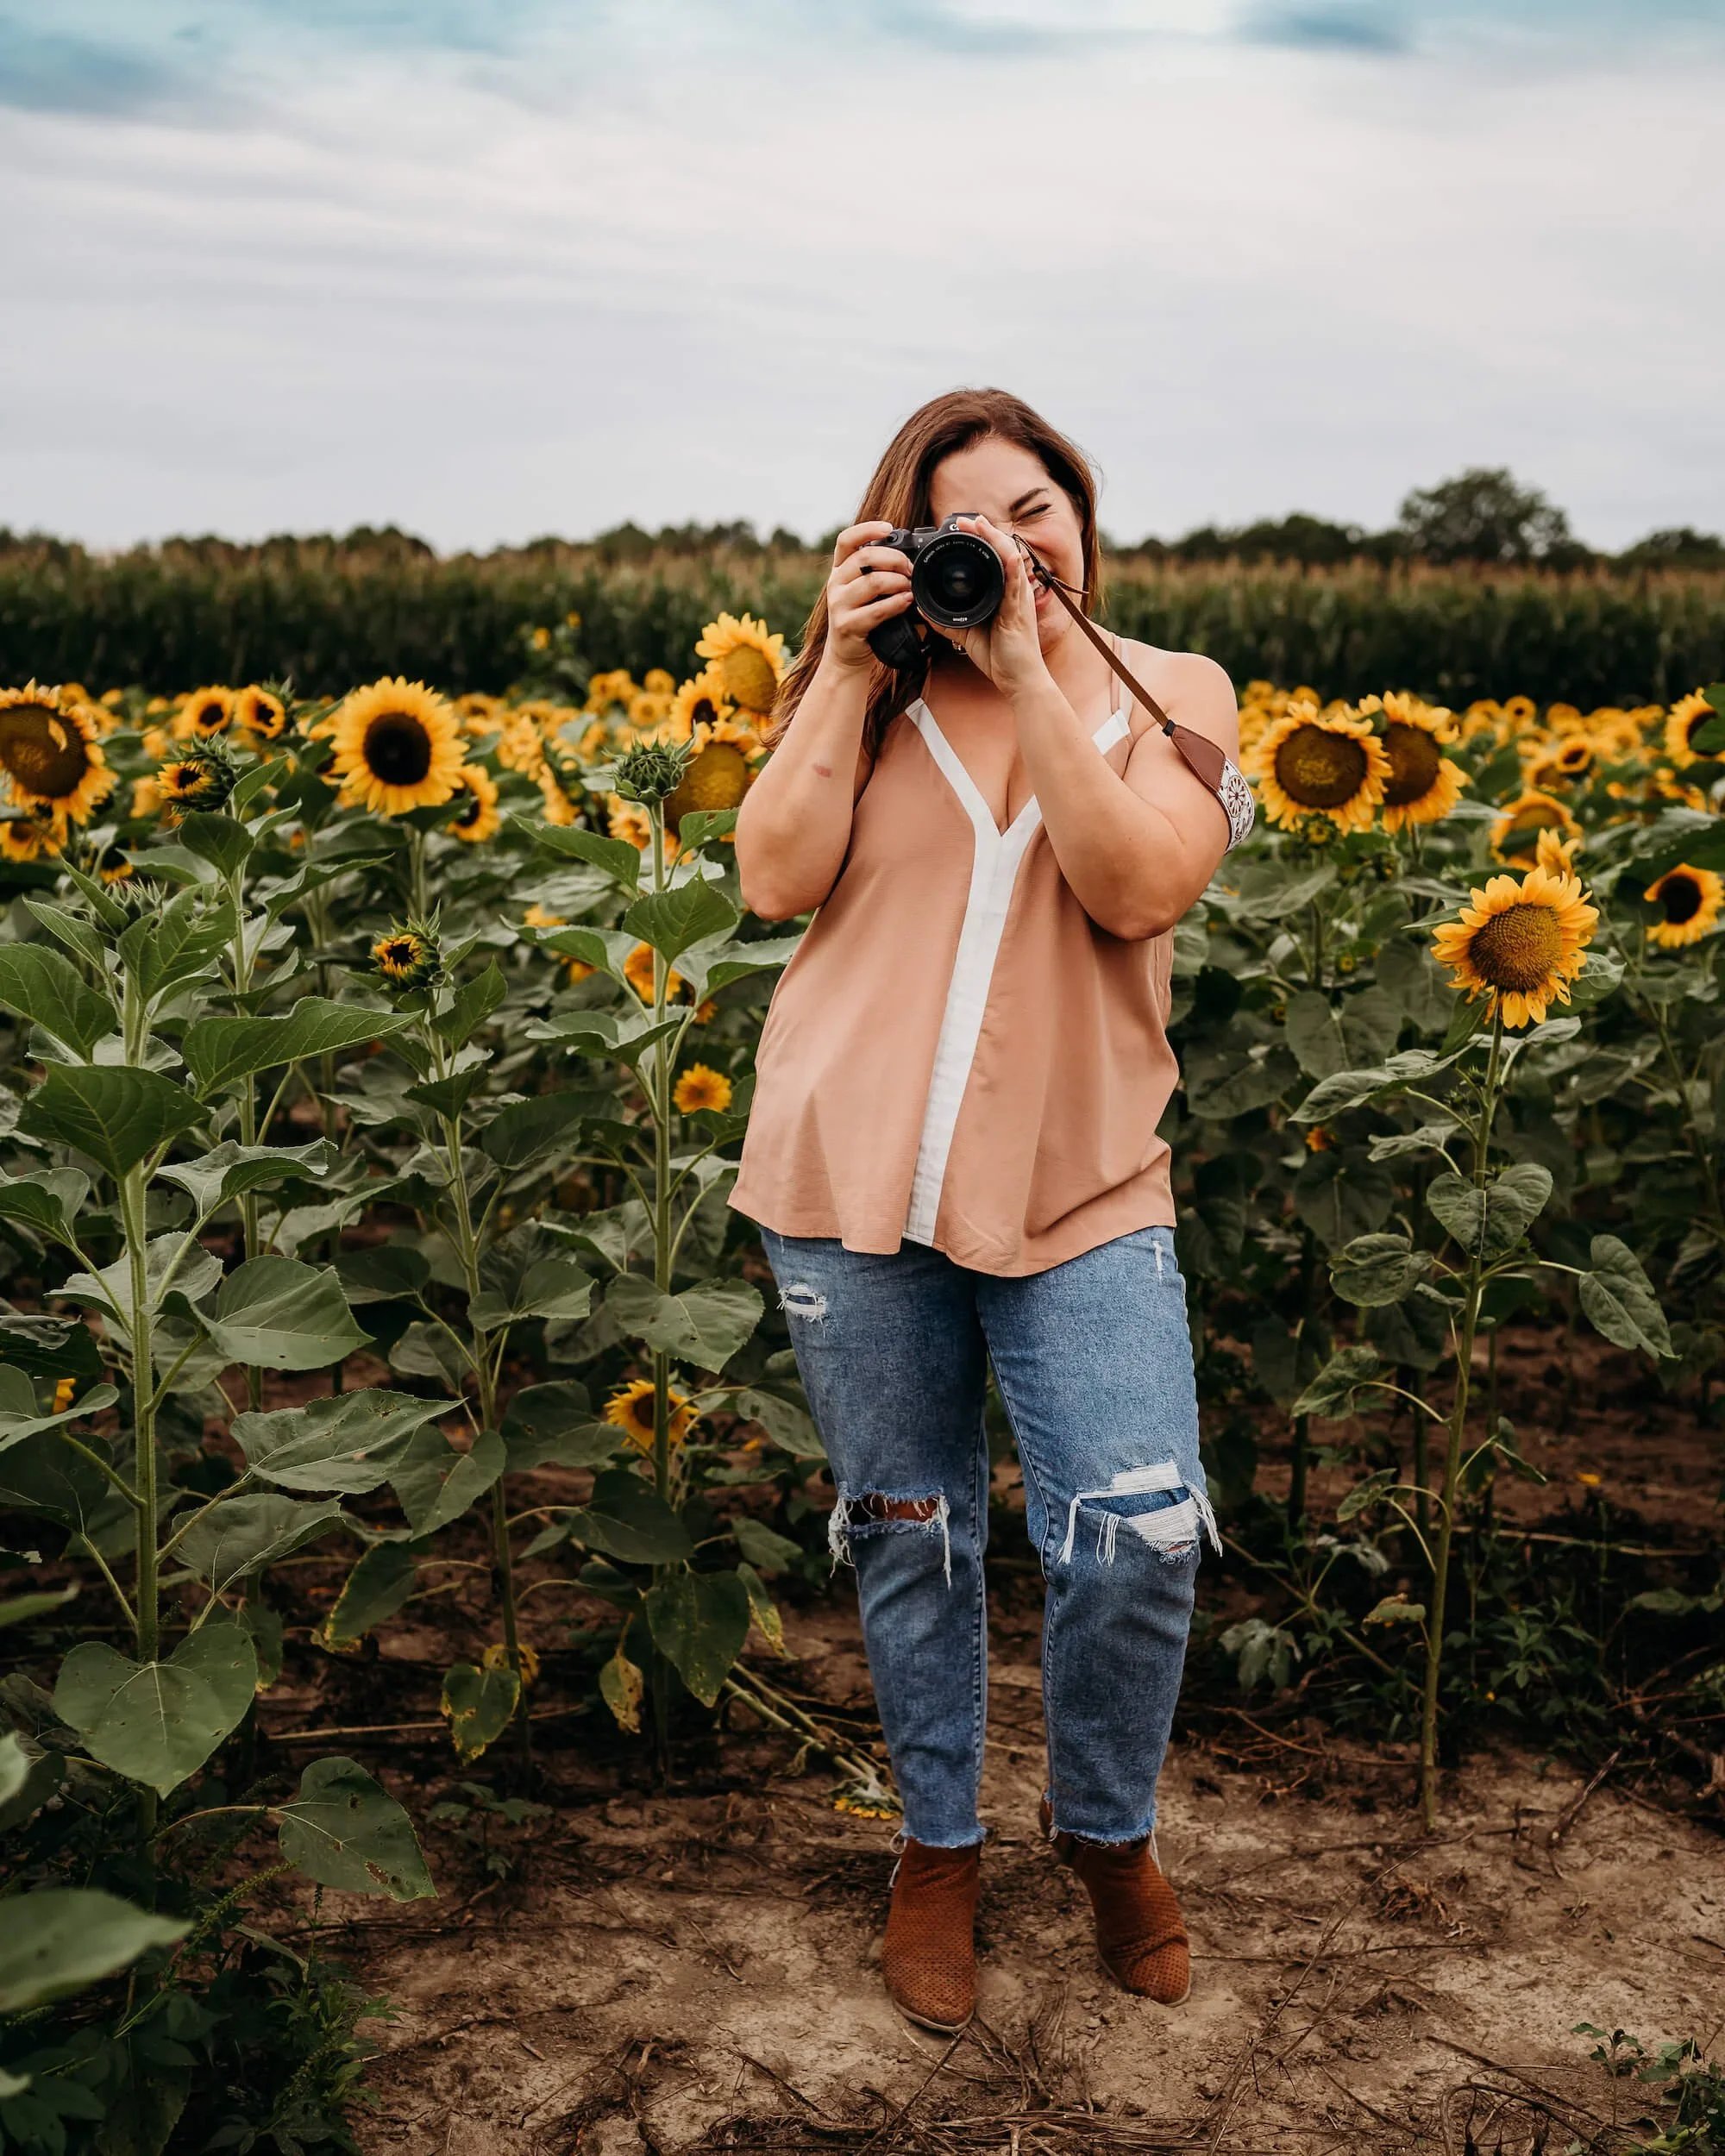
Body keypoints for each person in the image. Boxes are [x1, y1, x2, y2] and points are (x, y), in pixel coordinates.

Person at [726, 387, 1251, 2030]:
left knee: (1138, 1530)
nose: (1014, 546)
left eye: (1039, 508)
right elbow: (769, 876)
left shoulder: (1172, 695)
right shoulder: (864, 699)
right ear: (911, 542)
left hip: (1085, 1181)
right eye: (973, 524)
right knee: (907, 1529)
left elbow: (1141, 886)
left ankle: (1106, 1835)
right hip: (848, 1175)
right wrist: (836, 668)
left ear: (1081, 519)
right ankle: (936, 1850)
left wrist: (1031, 672)